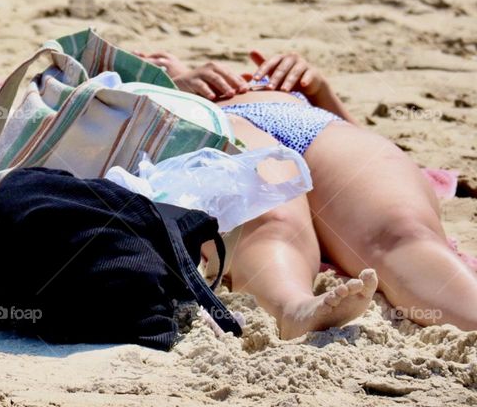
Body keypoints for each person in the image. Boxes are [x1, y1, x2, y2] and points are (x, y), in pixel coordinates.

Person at [137, 48, 477, 338]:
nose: (155, 60)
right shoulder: (143, 92)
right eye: (137, 59)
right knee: (272, 220)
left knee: (402, 228)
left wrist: (319, 90)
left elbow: (365, 137)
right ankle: (294, 309)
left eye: (157, 58)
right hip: (224, 127)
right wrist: (159, 90)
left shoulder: (268, 84)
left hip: (311, 123)